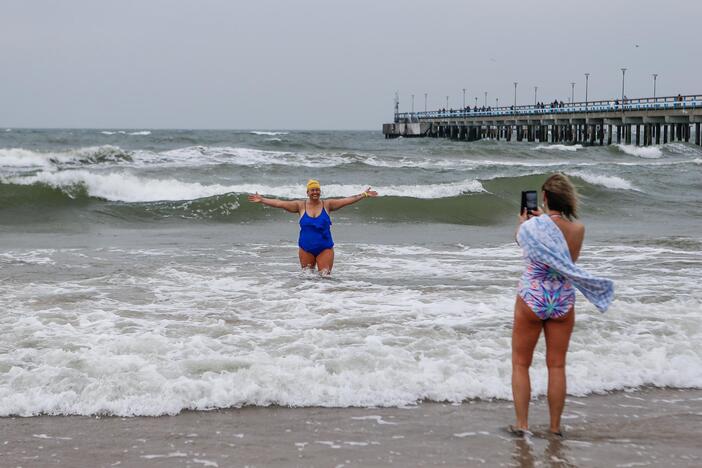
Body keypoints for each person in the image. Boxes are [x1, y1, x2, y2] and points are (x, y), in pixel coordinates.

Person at [510, 173, 613, 437]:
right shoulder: (577, 229)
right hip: (563, 298)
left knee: (521, 363)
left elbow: (521, 243)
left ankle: (522, 425)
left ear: (544, 198)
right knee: (556, 365)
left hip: (533, 297)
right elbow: (569, 263)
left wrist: (523, 223)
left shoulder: (530, 228)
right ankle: (555, 428)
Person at [247, 180, 378, 274]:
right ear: (307, 192)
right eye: (312, 190)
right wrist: (263, 199)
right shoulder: (300, 206)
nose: (315, 192)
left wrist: (364, 195)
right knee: (307, 279)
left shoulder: (328, 204)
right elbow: (279, 203)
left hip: (325, 248)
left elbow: (347, 200)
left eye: (317, 190)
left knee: (325, 277)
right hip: (306, 248)